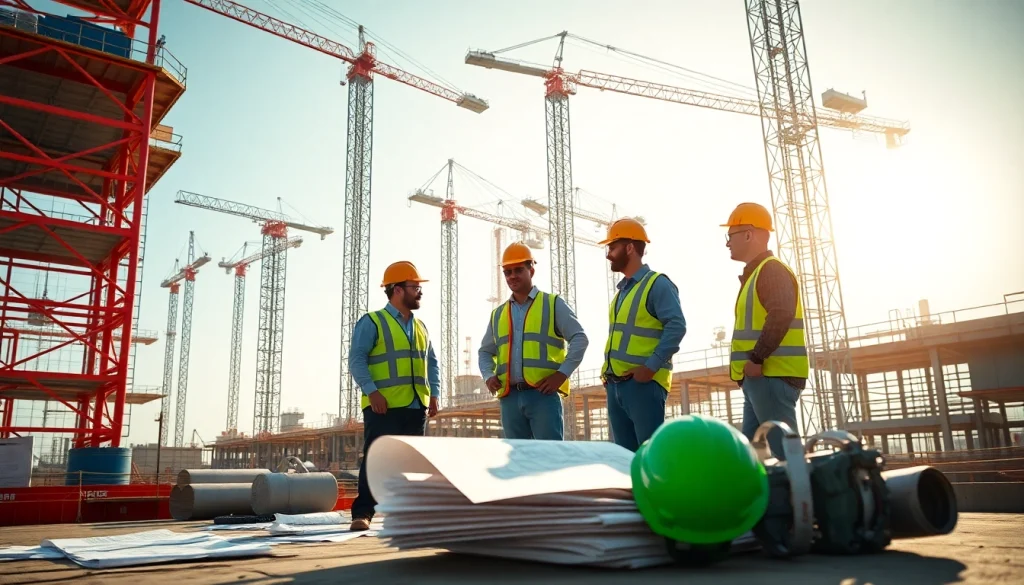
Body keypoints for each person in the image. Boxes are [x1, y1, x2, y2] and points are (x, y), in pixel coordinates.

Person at [348, 261, 441, 530]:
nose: (420, 292)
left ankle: (411, 514)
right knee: (376, 458)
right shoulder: (372, 322)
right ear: (398, 290)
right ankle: (363, 513)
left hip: (415, 404)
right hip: (383, 406)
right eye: (415, 287)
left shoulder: (421, 326)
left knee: (412, 462)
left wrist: (434, 393)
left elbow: (431, 362)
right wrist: (372, 392)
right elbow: (356, 359)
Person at [722, 202, 808, 460]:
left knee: (785, 454)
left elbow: (781, 314)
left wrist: (757, 358)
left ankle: (801, 498)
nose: (727, 243)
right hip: (759, 379)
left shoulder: (771, 271)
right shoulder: (758, 273)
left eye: (730, 236)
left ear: (749, 234)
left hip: (772, 375)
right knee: (751, 456)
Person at [478, 243, 589, 440]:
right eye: (507, 272)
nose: (512, 276)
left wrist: (561, 375)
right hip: (509, 399)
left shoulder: (553, 303)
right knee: (518, 462)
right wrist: (488, 375)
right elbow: (485, 352)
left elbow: (580, 338)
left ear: (531, 270)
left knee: (549, 459)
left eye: (518, 270)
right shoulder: (498, 314)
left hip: (543, 397)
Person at [600, 218, 686, 452]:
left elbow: (676, 326)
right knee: (625, 459)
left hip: (643, 386)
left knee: (651, 457)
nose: (609, 254)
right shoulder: (621, 293)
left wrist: (650, 367)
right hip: (617, 385)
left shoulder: (657, 284)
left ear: (630, 247)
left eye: (613, 247)